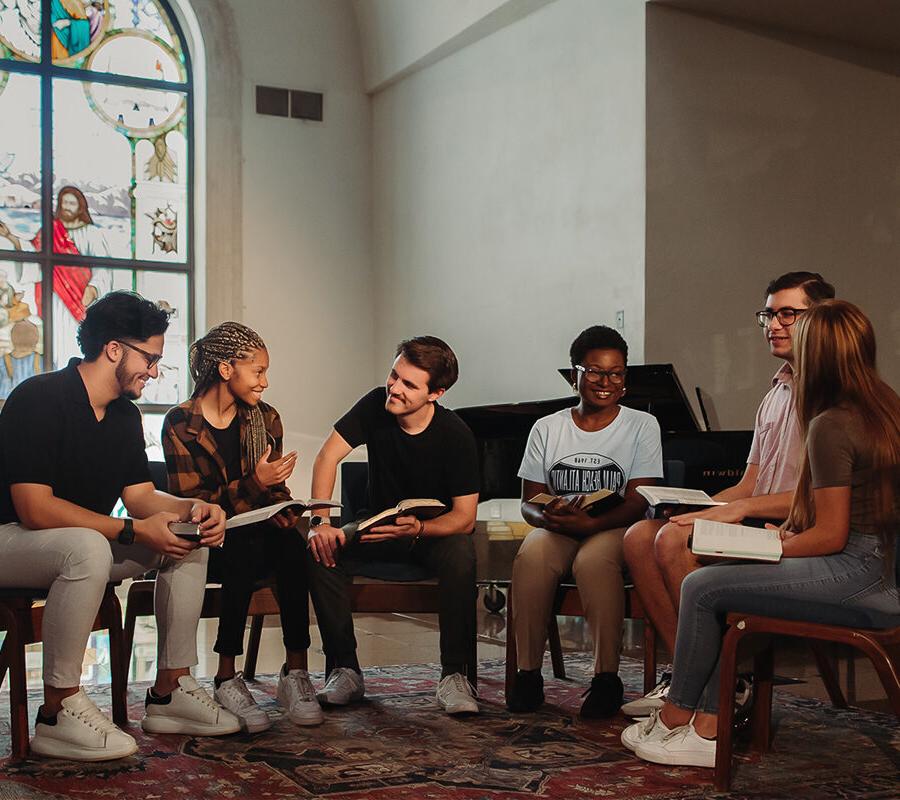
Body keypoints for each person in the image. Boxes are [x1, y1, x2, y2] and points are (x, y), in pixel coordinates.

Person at [624, 299, 900, 767]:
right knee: (711, 577)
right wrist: (782, 533)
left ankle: (698, 724)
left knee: (704, 585)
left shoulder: (831, 423)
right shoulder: (883, 405)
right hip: (878, 567)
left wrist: (772, 545)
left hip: (857, 574)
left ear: (818, 354)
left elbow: (832, 537)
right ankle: (690, 717)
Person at [0, 291, 240, 762]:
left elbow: (140, 497)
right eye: (149, 358)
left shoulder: (125, 415)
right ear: (114, 349)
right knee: (87, 548)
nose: (154, 370)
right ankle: (57, 712)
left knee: (187, 536)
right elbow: (34, 508)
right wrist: (131, 531)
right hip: (10, 538)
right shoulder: (39, 397)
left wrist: (193, 507)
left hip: (77, 544)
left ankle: (170, 691)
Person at [621, 271, 835, 717]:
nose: (774, 325)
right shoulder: (775, 392)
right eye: (769, 315)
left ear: (820, 318)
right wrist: (700, 505)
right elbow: (750, 484)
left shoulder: (829, 395)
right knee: (642, 535)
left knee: (672, 540)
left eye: (788, 314)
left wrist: (734, 511)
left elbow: (814, 499)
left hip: (797, 530)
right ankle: (691, 676)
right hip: (760, 517)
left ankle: (714, 686)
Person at [306, 336, 481, 714]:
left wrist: (418, 529)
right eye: (394, 375)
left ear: (436, 393)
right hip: (378, 527)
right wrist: (320, 521)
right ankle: (345, 670)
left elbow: (465, 518)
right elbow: (327, 456)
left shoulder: (456, 434)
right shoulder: (375, 404)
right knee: (321, 550)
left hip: (429, 537)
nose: (394, 388)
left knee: (462, 551)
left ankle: (456, 676)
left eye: (409, 384)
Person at [162, 321, 322, 732]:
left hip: (256, 535)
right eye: (259, 371)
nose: (265, 382)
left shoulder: (265, 420)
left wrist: (285, 506)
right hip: (205, 543)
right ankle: (225, 676)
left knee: (291, 543)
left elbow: (274, 491)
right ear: (227, 368)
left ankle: (296, 673)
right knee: (241, 545)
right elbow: (194, 505)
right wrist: (255, 484)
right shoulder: (181, 424)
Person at [506, 325, 663, 717]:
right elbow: (528, 502)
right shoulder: (547, 427)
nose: (605, 382)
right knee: (531, 555)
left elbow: (640, 497)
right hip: (559, 526)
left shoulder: (642, 425)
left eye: (616, 373)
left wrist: (591, 526)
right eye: (594, 371)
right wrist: (548, 515)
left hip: (613, 527)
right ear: (575, 373)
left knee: (594, 562)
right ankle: (527, 674)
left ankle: (606, 678)